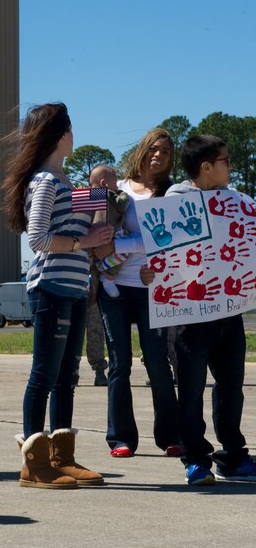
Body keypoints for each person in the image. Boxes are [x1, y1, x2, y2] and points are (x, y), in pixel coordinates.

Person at [1, 102, 113, 489]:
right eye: (70, 128)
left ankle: (61, 457)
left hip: (75, 288)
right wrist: (85, 241)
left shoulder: (65, 181)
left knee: (67, 376)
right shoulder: (45, 182)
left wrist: (101, 213)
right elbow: (38, 239)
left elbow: (88, 229)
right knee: (44, 375)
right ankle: (34, 464)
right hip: (50, 287)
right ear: (61, 134)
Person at [163, 135, 256, 485]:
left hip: (230, 311)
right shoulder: (176, 200)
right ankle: (195, 459)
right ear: (206, 167)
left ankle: (233, 457)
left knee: (232, 387)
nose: (231, 165)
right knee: (190, 388)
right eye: (225, 160)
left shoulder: (239, 201)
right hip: (192, 314)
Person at [94, 128, 181, 459]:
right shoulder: (120, 189)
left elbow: (172, 241)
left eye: (166, 152)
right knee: (119, 363)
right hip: (114, 289)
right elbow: (101, 230)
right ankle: (121, 437)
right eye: (154, 149)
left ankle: (170, 437)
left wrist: (156, 269)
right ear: (143, 151)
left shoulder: (171, 193)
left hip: (152, 289)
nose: (159, 155)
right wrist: (108, 258)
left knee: (158, 363)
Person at [84, 165, 121, 387]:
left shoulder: (118, 201)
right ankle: (98, 368)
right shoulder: (90, 200)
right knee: (94, 324)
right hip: (93, 272)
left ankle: (105, 368)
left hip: (109, 269)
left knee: (103, 325)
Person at [90, 165, 129, 298]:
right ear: (104, 183)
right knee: (126, 247)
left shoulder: (90, 196)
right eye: (115, 180)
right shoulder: (109, 194)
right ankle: (109, 276)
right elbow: (122, 205)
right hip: (110, 234)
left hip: (93, 238)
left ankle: (101, 268)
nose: (117, 184)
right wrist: (123, 194)